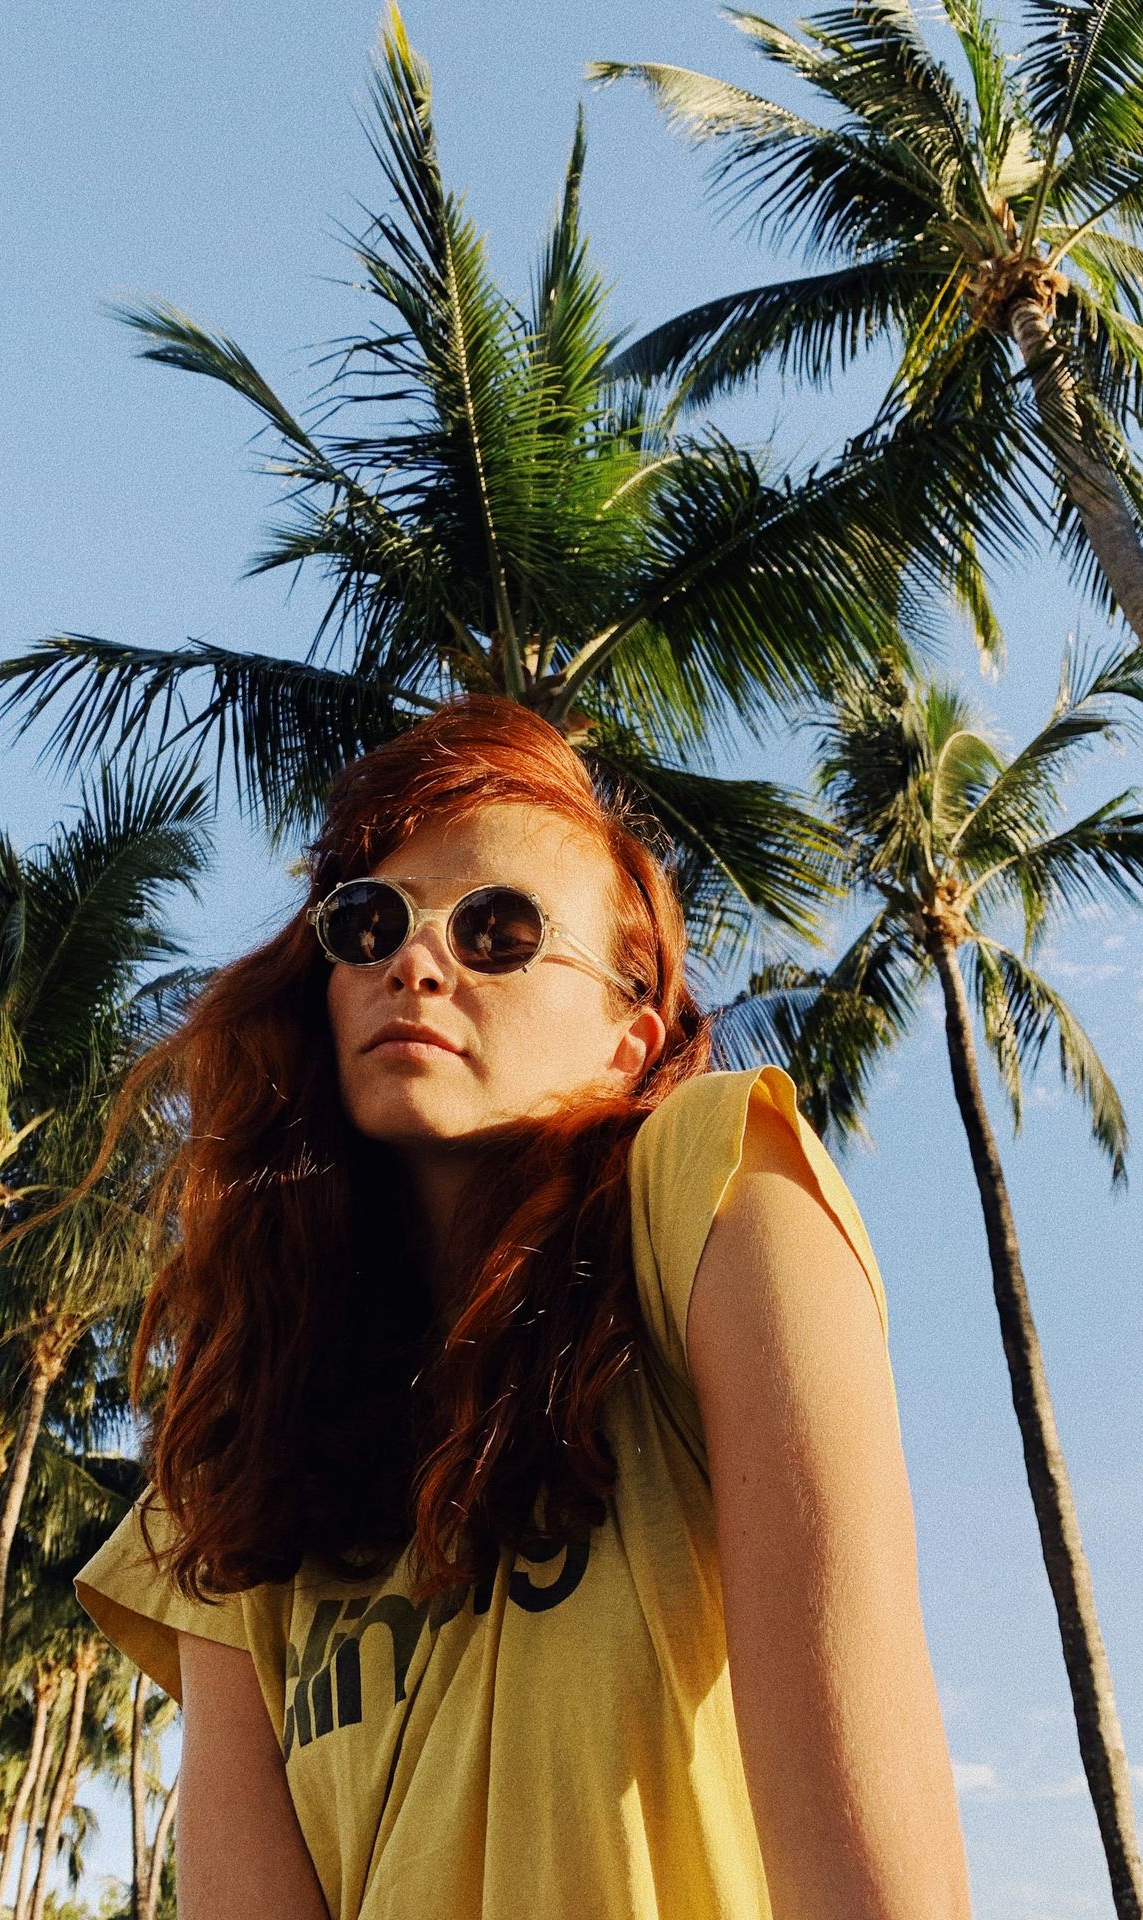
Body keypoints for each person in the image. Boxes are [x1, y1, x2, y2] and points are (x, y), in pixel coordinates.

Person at [75, 696, 972, 1920]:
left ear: (626, 1041)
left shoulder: (713, 1184)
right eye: (366, 921)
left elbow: (868, 1869)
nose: (416, 960)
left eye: (497, 929)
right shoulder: (239, 1444)